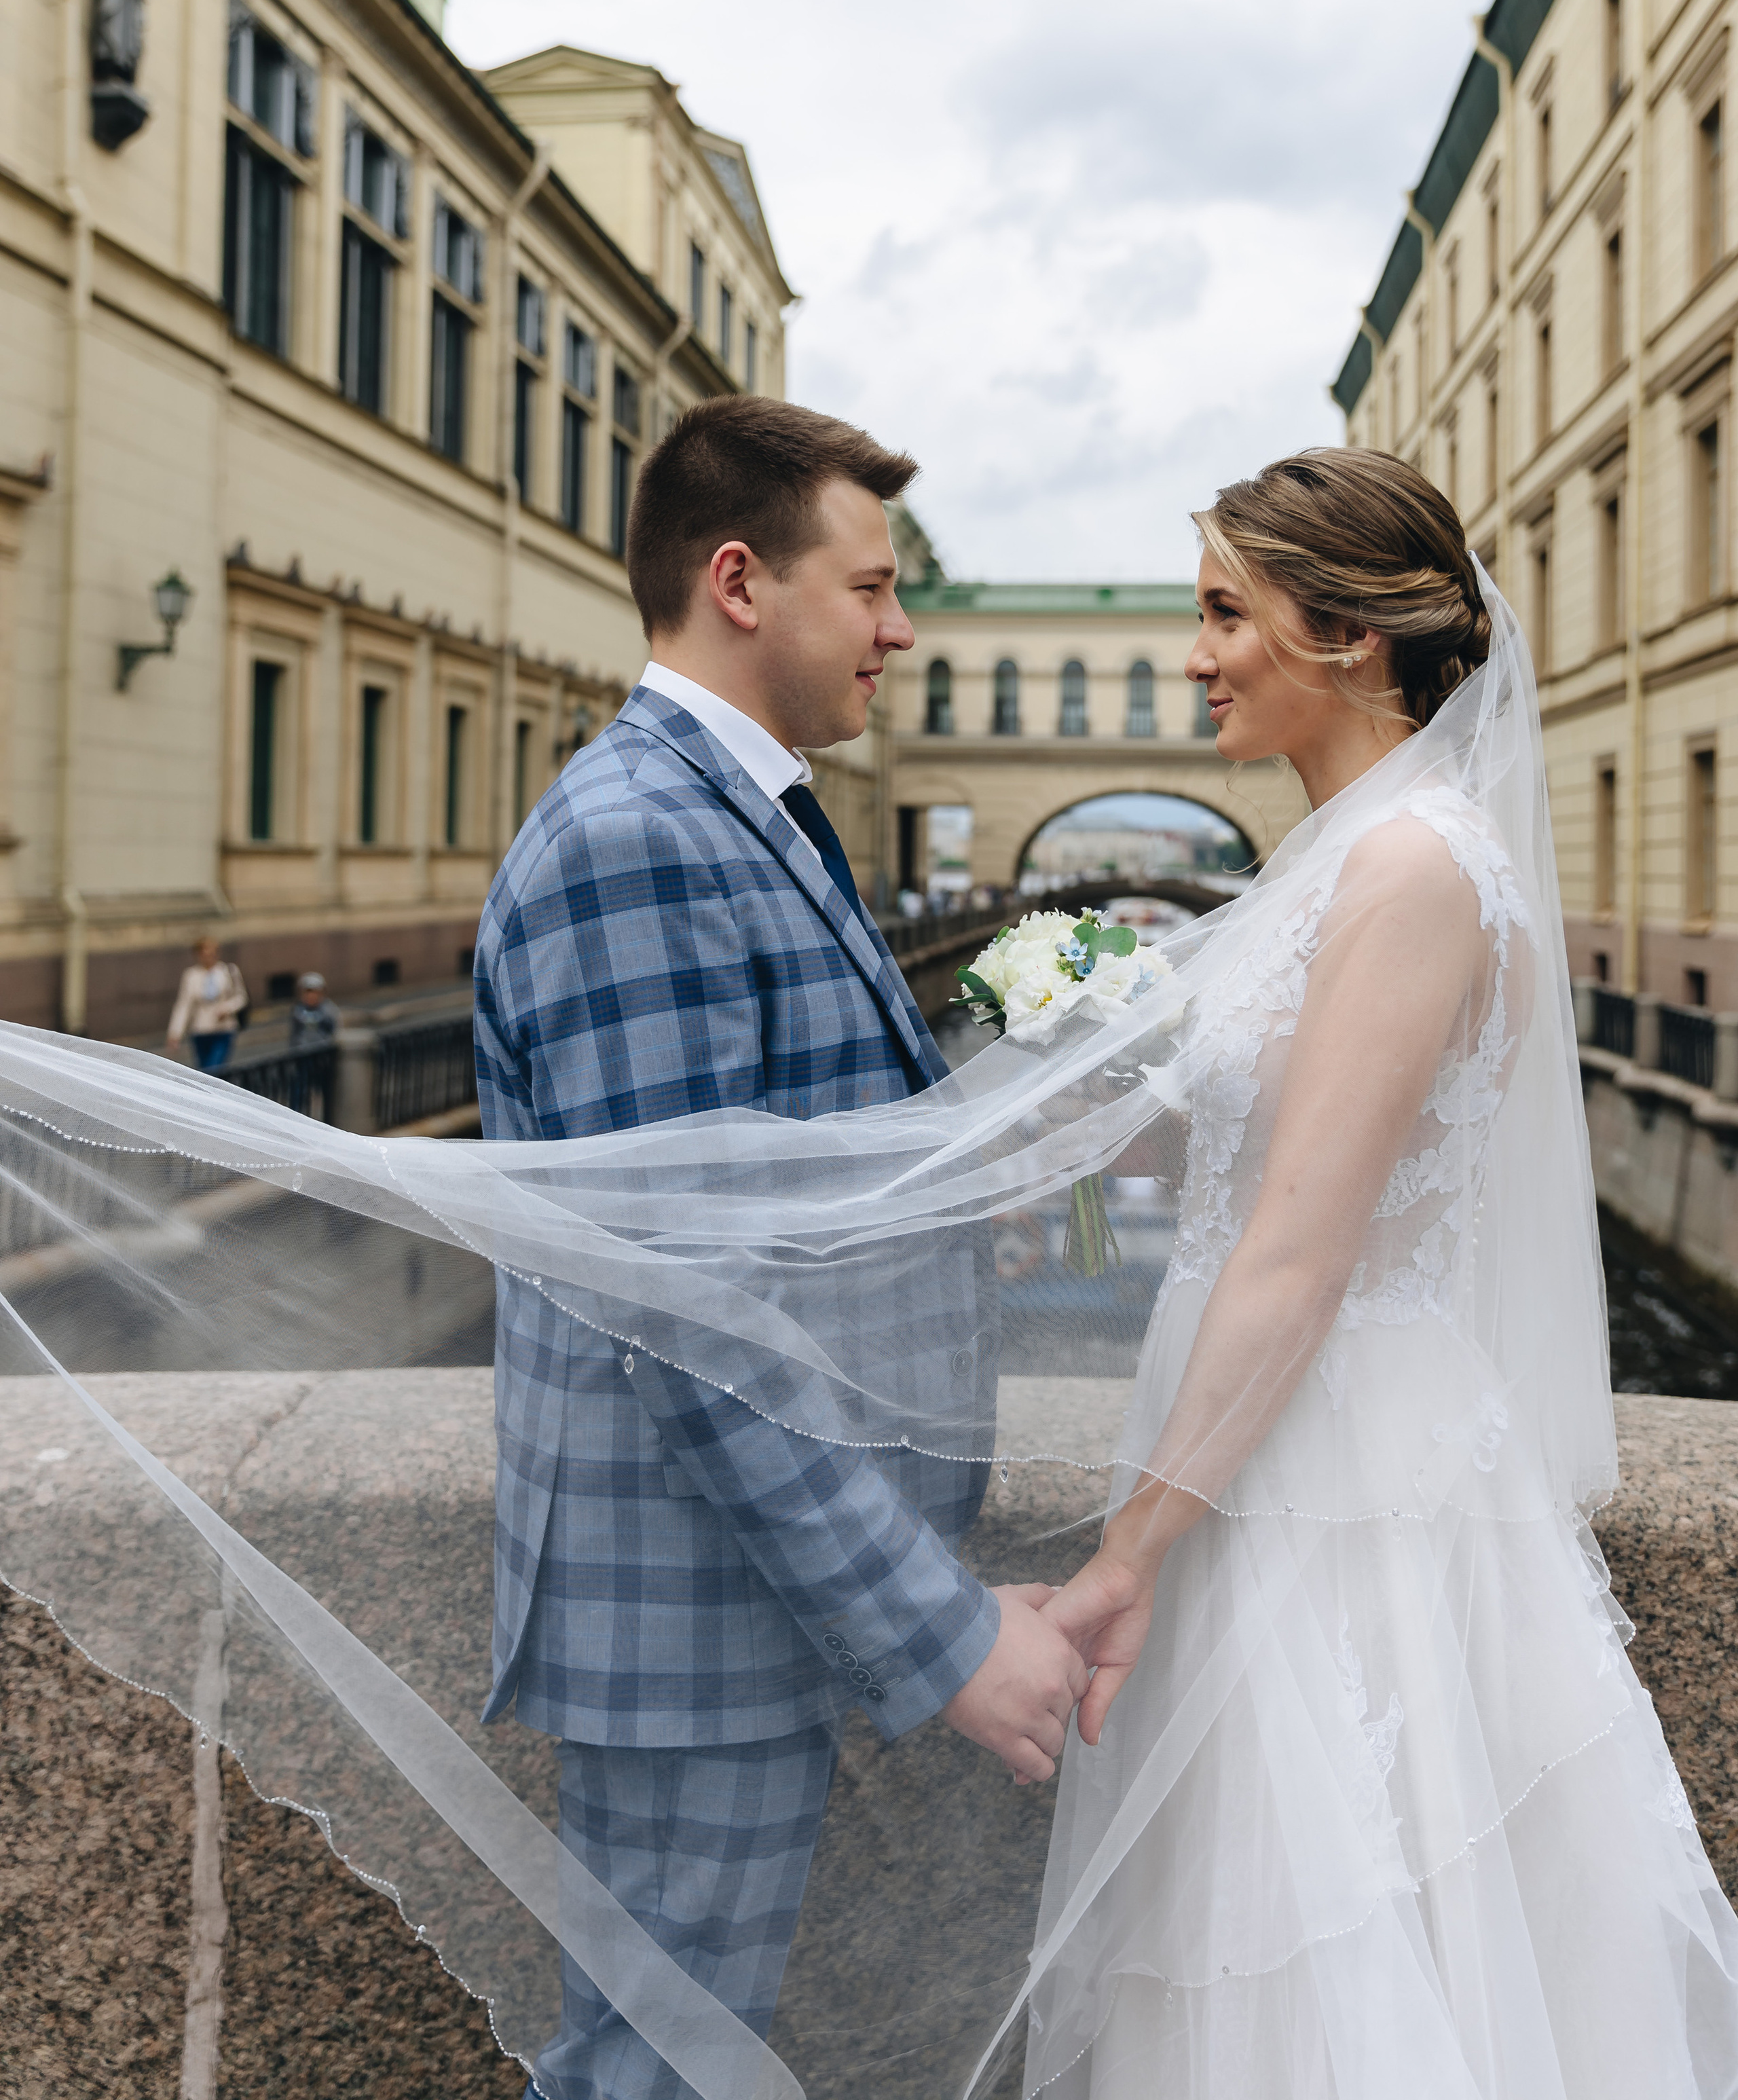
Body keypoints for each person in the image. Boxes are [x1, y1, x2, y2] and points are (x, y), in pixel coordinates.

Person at [1015, 450, 1738, 2099]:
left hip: (1331, 1482)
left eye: (1224, 613)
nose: (1193, 656)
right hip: (1257, 1445)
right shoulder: (1340, 852)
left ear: (1345, 635)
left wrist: (1128, 1551)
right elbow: (1266, 1162)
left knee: (1321, 1947)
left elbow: (1299, 1251)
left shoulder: (1407, 866)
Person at [473, 394, 1089, 2100]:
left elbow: (780, 1211)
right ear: (740, 583)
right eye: (872, 589)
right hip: (691, 1626)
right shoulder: (637, 843)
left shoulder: (733, 810)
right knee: (648, 2077)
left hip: (748, 1608)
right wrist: (941, 1633)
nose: (900, 632)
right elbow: (688, 1316)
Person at [164, 936, 247, 1073]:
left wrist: (227, 1008)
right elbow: (184, 1005)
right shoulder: (191, 975)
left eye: (212, 954)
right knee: (204, 1072)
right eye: (204, 955)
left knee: (214, 1070)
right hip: (200, 1031)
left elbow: (241, 997)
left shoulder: (228, 971)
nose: (208, 958)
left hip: (223, 1029)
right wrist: (175, 1033)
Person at [286, 972, 339, 1051]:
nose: (311, 997)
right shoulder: (298, 1010)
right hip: (303, 1051)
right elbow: (294, 1033)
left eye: (314, 993)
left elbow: (334, 1031)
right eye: (307, 993)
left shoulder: (328, 1009)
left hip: (323, 1050)